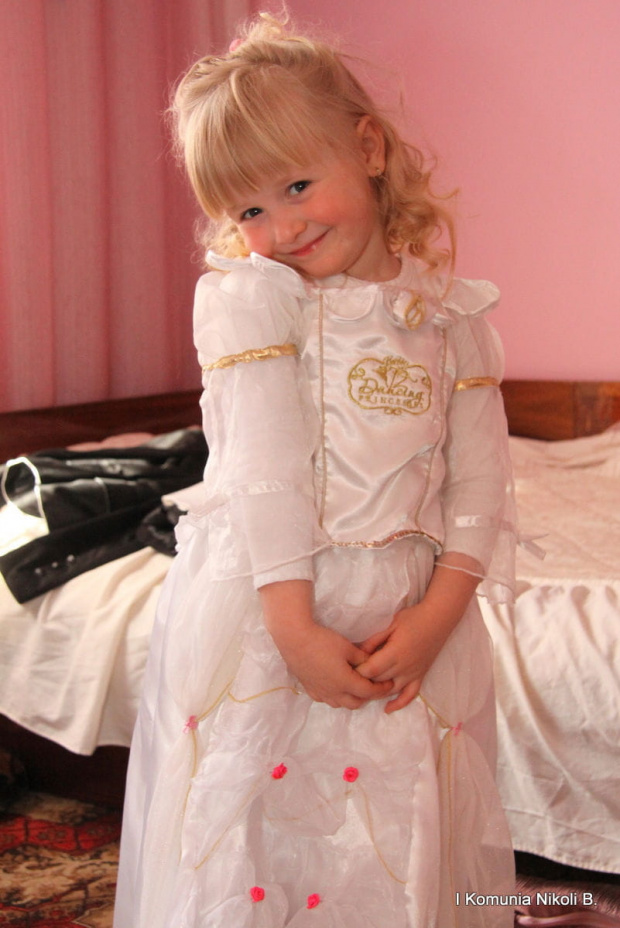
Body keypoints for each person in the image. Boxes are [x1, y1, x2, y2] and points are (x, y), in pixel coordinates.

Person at [114, 13, 518, 928]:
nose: (283, 226)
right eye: (250, 211)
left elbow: (481, 488)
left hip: (412, 617)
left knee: (398, 829)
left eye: (297, 185)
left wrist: (437, 618)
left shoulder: (454, 319)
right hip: (275, 603)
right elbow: (264, 474)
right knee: (262, 837)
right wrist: (293, 627)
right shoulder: (254, 304)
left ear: (368, 149)